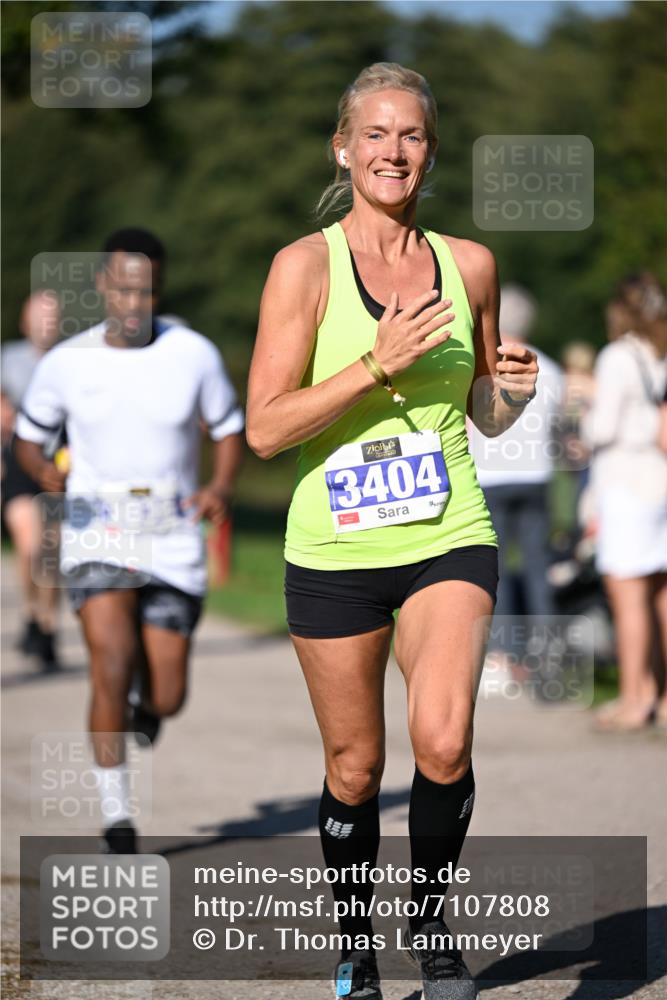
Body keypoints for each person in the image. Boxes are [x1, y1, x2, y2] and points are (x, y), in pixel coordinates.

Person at [247, 64, 538, 999]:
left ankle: (431, 923)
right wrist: (372, 368)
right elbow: (264, 428)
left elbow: (482, 410)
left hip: (447, 528)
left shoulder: (470, 265)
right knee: (355, 763)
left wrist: (509, 395)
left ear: (430, 153)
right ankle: (354, 942)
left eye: (410, 135)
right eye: (374, 134)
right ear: (343, 148)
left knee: (444, 743)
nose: (392, 151)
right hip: (334, 549)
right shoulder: (304, 267)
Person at [15, 228, 244, 851]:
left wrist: (219, 486)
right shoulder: (67, 362)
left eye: (145, 290)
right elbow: (29, 440)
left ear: (158, 289)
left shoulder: (193, 353)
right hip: (97, 534)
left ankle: (149, 706)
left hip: (171, 537)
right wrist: (43, 475)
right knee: (109, 665)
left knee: (167, 697)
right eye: (122, 289)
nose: (133, 303)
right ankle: (117, 816)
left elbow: (229, 428)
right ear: (102, 287)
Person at [582, 273, 667, 731]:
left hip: (626, 481)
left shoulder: (617, 356)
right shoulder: (661, 353)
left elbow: (603, 428)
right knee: (661, 591)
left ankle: (635, 698)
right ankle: (662, 693)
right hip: (661, 476)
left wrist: (583, 422)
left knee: (627, 592)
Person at [467, 285, 563, 680]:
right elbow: (560, 427)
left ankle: (504, 655)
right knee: (540, 567)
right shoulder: (552, 369)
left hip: (491, 476)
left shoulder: (484, 365)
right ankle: (548, 653)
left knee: (498, 569)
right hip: (536, 475)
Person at [1, 290, 62, 670]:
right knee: (29, 547)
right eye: (40, 316)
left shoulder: (72, 360)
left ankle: (48, 626)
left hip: (59, 464)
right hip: (19, 463)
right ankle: (30, 611)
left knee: (52, 554)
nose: (47, 323)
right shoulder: (9, 359)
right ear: (26, 321)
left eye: (53, 317)